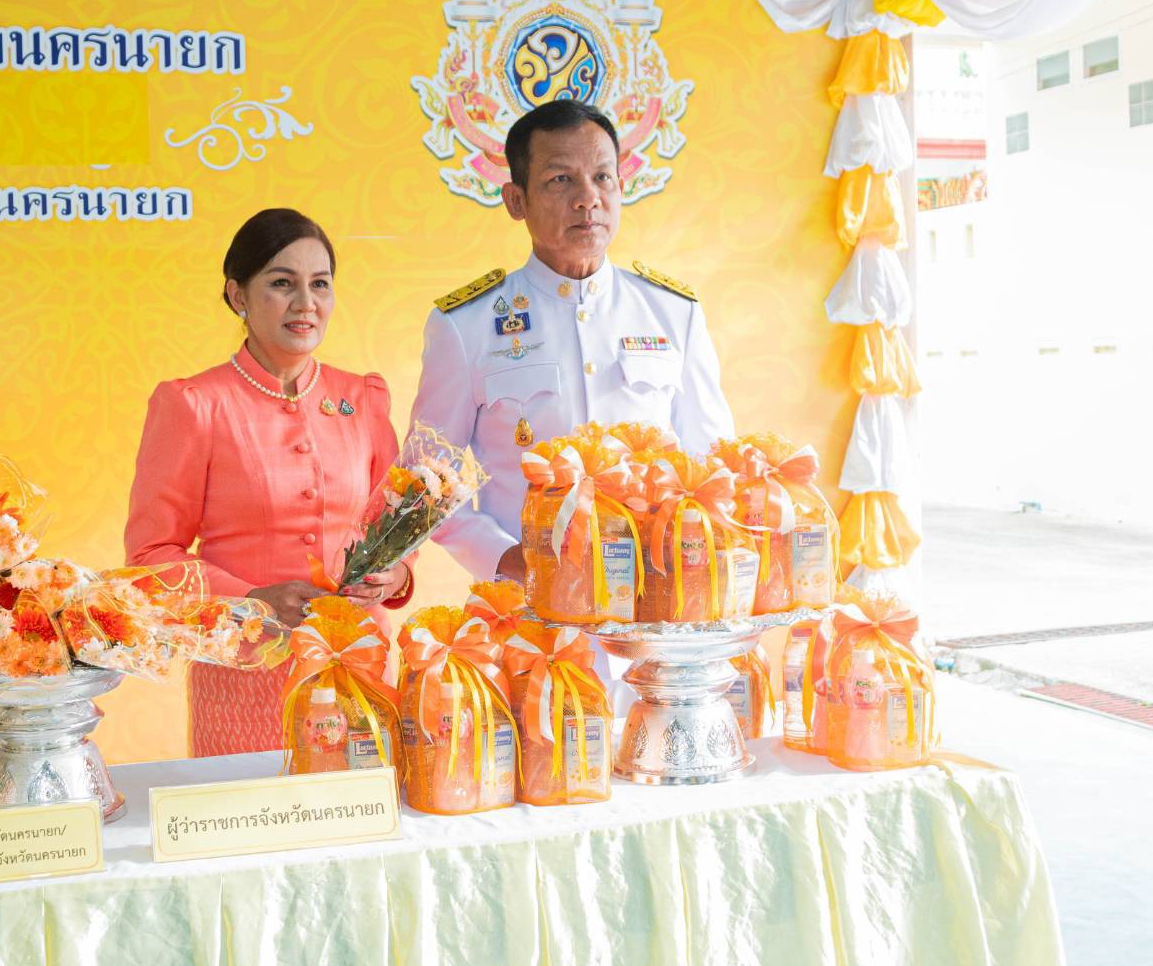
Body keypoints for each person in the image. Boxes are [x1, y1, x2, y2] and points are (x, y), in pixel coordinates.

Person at [408, 99, 736, 583]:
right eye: (561, 180)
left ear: (621, 188)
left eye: (603, 177)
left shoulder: (674, 313)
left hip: (655, 605)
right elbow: (422, 480)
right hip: (526, 616)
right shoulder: (466, 325)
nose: (588, 198)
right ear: (516, 201)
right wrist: (507, 558)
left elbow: (715, 464)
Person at [125, 208, 413, 755]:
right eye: (282, 283)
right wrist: (251, 601)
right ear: (238, 295)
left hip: (357, 661)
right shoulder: (195, 405)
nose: (306, 303)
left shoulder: (364, 399)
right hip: (243, 670)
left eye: (320, 285)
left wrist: (396, 575)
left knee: (362, 826)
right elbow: (150, 555)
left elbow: (398, 529)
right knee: (250, 825)